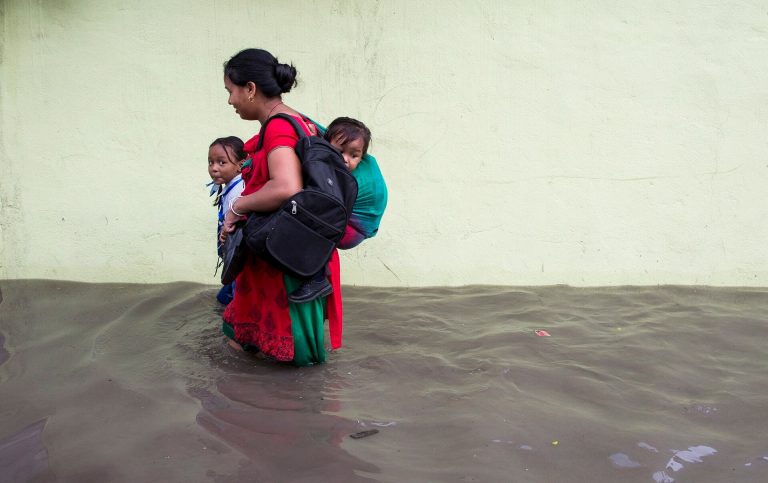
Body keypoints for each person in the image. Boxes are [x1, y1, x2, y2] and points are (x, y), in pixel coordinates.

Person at [218, 48, 343, 366]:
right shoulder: (301, 121)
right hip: (296, 252)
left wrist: (238, 207)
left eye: (231, 91)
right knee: (267, 355)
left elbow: (286, 187)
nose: (230, 100)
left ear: (250, 89)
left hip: (283, 255)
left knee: (283, 359)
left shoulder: (278, 127)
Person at [287, 117, 374, 302]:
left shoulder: (346, 182)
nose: (345, 159)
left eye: (354, 155)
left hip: (351, 231)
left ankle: (317, 278)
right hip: (353, 226)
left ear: (362, 157)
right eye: (339, 151)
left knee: (315, 221)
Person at [206, 136, 245, 305]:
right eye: (210, 162)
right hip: (232, 258)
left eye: (222, 163)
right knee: (223, 301)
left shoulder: (240, 192)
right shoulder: (230, 186)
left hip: (239, 260)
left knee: (236, 306)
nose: (214, 168)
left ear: (240, 165)